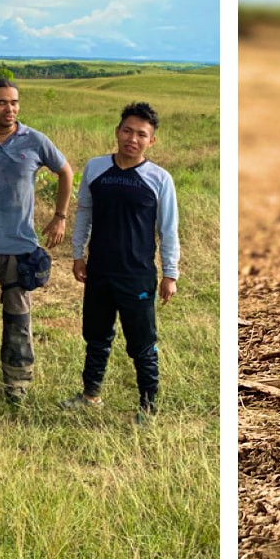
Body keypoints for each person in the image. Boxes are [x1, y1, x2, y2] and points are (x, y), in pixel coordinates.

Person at [0, 78, 72, 404]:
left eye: (14, 102)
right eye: (2, 102)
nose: (10, 109)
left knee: (18, 319)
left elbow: (66, 172)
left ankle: (17, 384)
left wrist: (60, 216)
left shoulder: (34, 140)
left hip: (19, 247)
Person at [60, 103, 179, 423]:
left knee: (142, 343)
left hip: (137, 276)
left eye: (142, 134)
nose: (132, 139)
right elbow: (84, 212)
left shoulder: (159, 179)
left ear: (151, 141)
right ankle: (90, 396)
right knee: (96, 337)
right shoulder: (96, 168)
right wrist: (77, 254)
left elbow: (168, 229)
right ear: (117, 131)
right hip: (99, 271)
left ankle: (148, 406)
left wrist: (171, 273)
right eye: (127, 131)